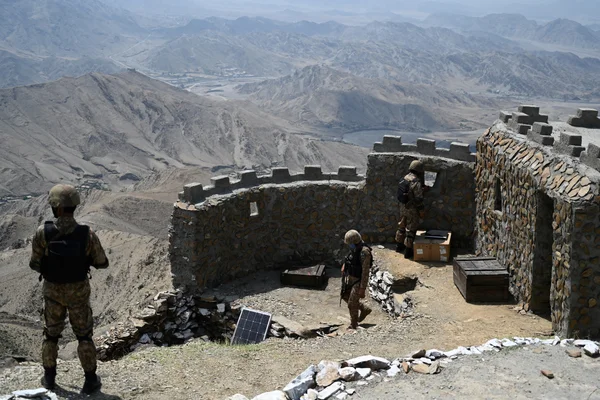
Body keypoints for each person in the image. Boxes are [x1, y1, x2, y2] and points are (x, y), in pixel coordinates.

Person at [29, 184, 109, 394]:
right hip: (79, 293)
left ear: (55, 207)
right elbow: (102, 262)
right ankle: (90, 380)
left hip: (52, 292)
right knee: (84, 336)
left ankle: (49, 379)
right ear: (74, 206)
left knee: (51, 335)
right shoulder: (87, 233)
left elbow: (34, 263)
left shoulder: (42, 233)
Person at [340, 230, 372, 330]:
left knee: (351, 304)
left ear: (355, 241)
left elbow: (365, 272)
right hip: (351, 278)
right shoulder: (356, 249)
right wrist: (345, 265)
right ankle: (364, 308)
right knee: (345, 295)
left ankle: (354, 325)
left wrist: (362, 288)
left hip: (358, 281)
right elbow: (351, 258)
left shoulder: (364, 252)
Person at [395, 159, 426, 259]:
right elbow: (418, 199)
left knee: (401, 226)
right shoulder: (416, 182)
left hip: (402, 206)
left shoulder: (405, 178)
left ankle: (398, 247)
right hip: (411, 208)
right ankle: (408, 252)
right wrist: (421, 211)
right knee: (410, 230)